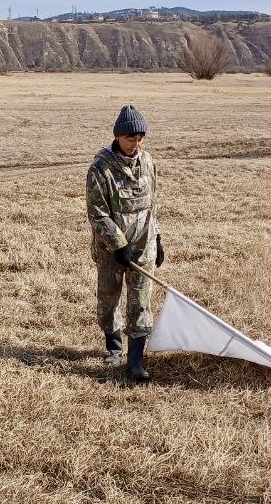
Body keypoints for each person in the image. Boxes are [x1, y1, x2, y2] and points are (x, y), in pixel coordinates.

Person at [85, 105, 164, 381]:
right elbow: (98, 212)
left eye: (140, 139)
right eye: (131, 139)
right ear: (117, 136)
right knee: (109, 300)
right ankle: (114, 346)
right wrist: (118, 244)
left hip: (142, 248)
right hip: (111, 252)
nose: (135, 144)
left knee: (141, 302)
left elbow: (152, 205)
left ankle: (135, 361)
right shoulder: (100, 168)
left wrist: (157, 237)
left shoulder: (148, 162)